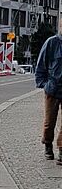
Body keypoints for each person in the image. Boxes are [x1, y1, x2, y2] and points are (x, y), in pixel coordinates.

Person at [34, 29, 62, 161]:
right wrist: (44, 84)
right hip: (53, 89)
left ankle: (61, 149)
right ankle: (47, 144)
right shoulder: (51, 43)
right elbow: (41, 65)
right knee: (49, 121)